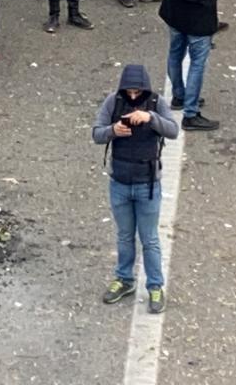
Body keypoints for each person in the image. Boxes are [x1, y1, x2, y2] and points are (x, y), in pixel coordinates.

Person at [92, 63, 177, 314]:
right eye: (128, 91)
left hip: (147, 184)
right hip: (119, 182)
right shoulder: (112, 102)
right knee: (124, 236)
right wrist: (113, 131)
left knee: (149, 239)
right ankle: (124, 279)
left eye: (136, 91)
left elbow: (172, 130)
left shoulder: (156, 103)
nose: (132, 95)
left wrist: (150, 118)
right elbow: (97, 133)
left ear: (145, 89)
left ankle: (155, 286)